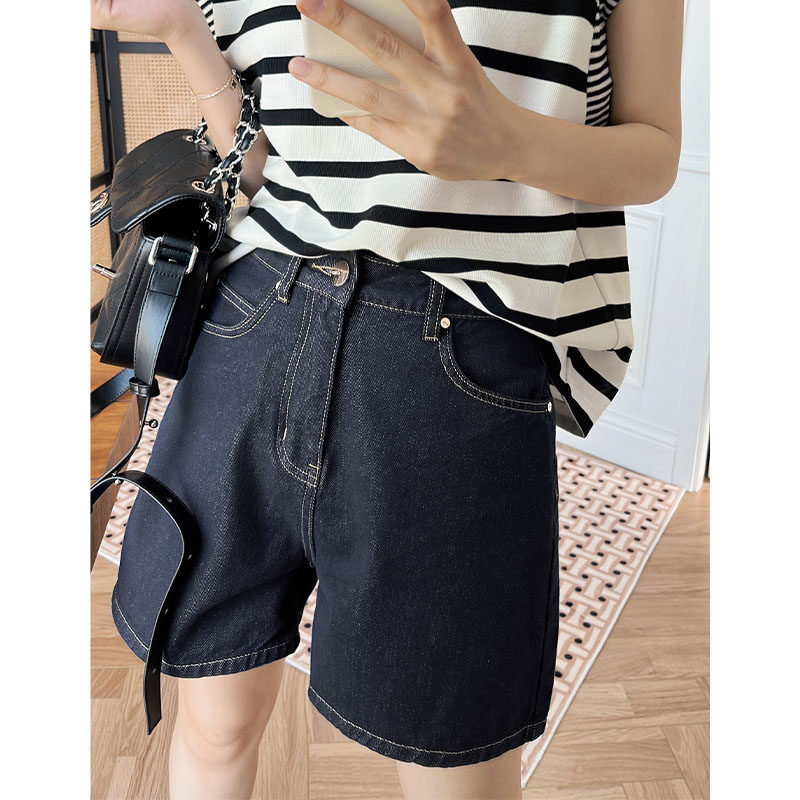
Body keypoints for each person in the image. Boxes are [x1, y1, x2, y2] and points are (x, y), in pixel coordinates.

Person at [91, 0, 683, 797]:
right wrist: (182, 33)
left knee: (455, 767)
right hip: (249, 325)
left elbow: (654, 150)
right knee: (212, 719)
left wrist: (511, 141)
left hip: (456, 360)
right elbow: (257, 164)